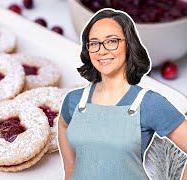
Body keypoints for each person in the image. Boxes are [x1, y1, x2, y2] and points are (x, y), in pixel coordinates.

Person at [58, 8, 187, 180]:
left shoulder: (149, 103)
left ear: (129, 45)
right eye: (94, 43)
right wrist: (69, 170)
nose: (101, 50)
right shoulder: (73, 101)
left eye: (112, 41)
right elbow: (63, 125)